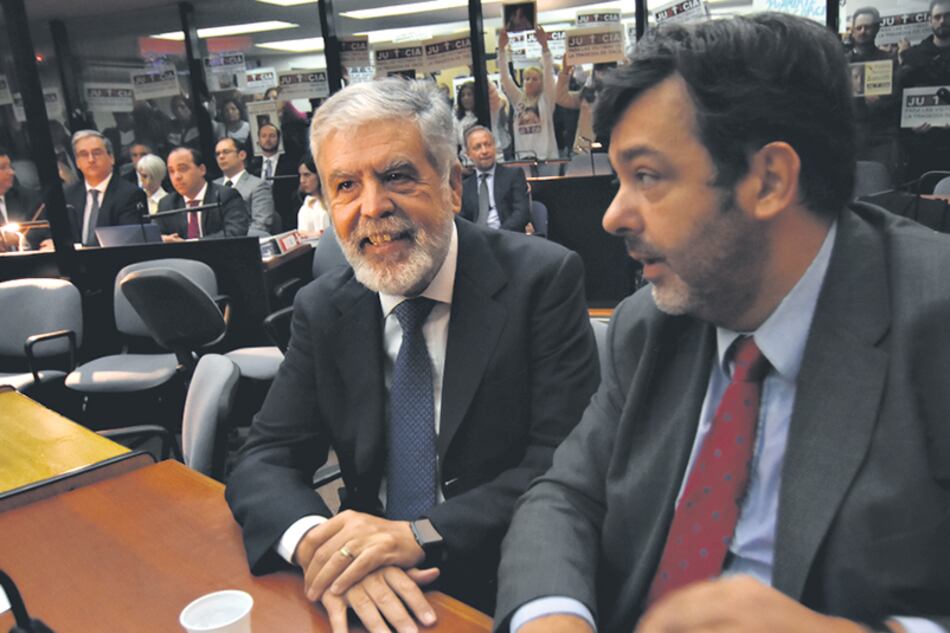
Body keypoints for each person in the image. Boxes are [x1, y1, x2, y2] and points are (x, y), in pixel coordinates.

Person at [495, 12, 950, 633]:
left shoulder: (932, 318)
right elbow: (566, 496)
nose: (612, 216)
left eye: (647, 176)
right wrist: (554, 616)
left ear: (768, 180)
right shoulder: (646, 323)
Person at [225, 78, 599, 633]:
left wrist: (421, 533)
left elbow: (561, 462)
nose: (372, 207)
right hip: (367, 579)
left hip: (505, 570)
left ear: (452, 185)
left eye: (396, 176)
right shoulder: (323, 307)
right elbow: (265, 457)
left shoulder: (541, 280)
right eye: (346, 186)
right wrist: (317, 545)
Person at [59, 130, 145, 247]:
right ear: (77, 163)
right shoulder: (68, 194)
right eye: (84, 154)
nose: (91, 160)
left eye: (96, 153)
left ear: (111, 158)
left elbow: (127, 242)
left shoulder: (130, 194)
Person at [845, 8, 901, 176]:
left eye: (868, 27)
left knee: (880, 185)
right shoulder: (839, 61)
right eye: (859, 27)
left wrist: (881, 101)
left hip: (881, 135)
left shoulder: (889, 61)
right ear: (853, 30)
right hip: (850, 135)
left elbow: (897, 98)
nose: (863, 31)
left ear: (877, 29)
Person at [898, 0, 950, 181]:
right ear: (929, 21)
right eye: (937, 17)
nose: (942, 21)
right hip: (920, 147)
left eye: (947, 16)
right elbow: (899, 99)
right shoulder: (912, 56)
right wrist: (909, 126)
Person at [156, 147, 249, 241]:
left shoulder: (226, 196)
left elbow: (235, 232)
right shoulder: (166, 204)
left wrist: (191, 243)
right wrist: (162, 239)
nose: (177, 176)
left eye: (182, 169)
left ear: (201, 170)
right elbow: (153, 236)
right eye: (171, 171)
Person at [498, 27, 559, 160]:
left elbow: (549, 73)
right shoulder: (519, 100)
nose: (530, 82)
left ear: (541, 82)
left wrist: (544, 47)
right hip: (523, 157)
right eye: (527, 79)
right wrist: (501, 50)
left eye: (535, 79)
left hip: (547, 158)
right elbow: (504, 78)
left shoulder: (547, 99)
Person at [459, 126, 532, 232]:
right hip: (478, 241)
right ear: (468, 154)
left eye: (488, 145)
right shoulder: (465, 186)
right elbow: (462, 220)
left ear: (494, 147)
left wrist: (498, 236)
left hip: (507, 238)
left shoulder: (513, 175)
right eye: (477, 147)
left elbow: (522, 213)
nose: (484, 151)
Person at [213, 137, 279, 235]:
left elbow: (261, 226)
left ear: (242, 155)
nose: (221, 157)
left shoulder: (258, 186)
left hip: (244, 242)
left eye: (226, 152)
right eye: (217, 154)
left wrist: (229, 239)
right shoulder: (213, 186)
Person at [556, 56, 617, 155]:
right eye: (600, 68)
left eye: (609, 68)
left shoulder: (622, 94)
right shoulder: (587, 94)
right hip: (586, 148)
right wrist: (565, 71)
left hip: (615, 147)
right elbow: (561, 98)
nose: (604, 73)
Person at [247, 122, 300, 231]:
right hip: (258, 219)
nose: (268, 139)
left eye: (272, 136)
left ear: (279, 139)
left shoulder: (290, 166)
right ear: (258, 140)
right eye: (264, 136)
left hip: (285, 218)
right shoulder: (252, 168)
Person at [295, 155, 329, 239]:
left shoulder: (332, 201)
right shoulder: (302, 202)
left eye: (307, 175)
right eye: (300, 175)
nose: (302, 180)